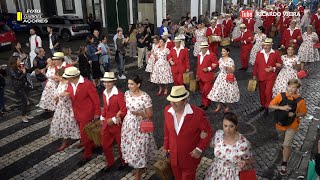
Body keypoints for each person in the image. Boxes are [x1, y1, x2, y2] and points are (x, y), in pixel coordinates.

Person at [163, 85, 212, 180]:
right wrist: (166, 146)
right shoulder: (167, 110)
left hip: (189, 158)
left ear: (185, 100)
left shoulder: (198, 114)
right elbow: (166, 130)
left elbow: (208, 131)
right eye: (171, 100)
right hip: (173, 155)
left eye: (176, 101)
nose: (172, 104)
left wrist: (199, 149)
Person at [62, 66, 101, 165]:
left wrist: (97, 113)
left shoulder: (87, 84)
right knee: (87, 133)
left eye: (67, 77)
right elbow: (71, 94)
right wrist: (66, 95)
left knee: (84, 135)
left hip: (87, 114)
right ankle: (93, 145)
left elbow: (96, 100)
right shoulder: (70, 84)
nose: (66, 79)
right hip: (77, 113)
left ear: (73, 77)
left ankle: (87, 154)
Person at [121, 75, 156, 180]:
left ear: (138, 85)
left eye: (132, 84)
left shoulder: (145, 97)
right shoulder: (127, 94)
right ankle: (139, 168)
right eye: (128, 83)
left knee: (139, 150)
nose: (129, 86)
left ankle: (139, 173)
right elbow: (126, 108)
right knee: (130, 148)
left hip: (141, 126)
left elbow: (150, 114)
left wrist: (140, 113)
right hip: (128, 125)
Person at [269, 79, 307, 175]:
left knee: (286, 145)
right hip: (280, 124)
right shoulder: (280, 96)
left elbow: (304, 113)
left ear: (297, 89)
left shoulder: (300, 100)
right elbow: (270, 105)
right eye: (290, 86)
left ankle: (284, 163)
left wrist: (294, 114)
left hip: (292, 125)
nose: (291, 89)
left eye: (293, 87)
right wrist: (282, 107)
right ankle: (285, 148)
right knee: (283, 142)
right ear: (287, 86)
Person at [205, 112, 253, 179]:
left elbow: (250, 160)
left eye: (231, 126)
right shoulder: (218, 134)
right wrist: (205, 137)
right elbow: (211, 144)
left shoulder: (243, 144)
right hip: (215, 172)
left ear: (236, 126)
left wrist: (245, 162)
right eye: (225, 126)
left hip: (231, 176)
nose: (227, 129)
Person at [100, 72, 128, 172]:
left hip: (117, 124)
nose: (107, 84)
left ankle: (124, 162)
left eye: (109, 82)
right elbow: (105, 107)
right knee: (105, 144)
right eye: (105, 82)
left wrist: (114, 119)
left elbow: (124, 111)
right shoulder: (104, 92)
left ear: (113, 82)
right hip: (106, 123)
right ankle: (110, 162)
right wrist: (102, 117)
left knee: (121, 144)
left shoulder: (119, 95)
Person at [50, 68, 80, 151]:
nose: (56, 77)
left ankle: (81, 140)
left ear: (61, 76)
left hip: (68, 108)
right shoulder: (60, 83)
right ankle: (65, 141)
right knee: (63, 125)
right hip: (60, 107)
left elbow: (72, 95)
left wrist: (60, 95)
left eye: (57, 75)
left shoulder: (68, 84)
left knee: (72, 124)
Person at [253, 38, 282, 116]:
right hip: (261, 77)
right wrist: (254, 75)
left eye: (267, 45)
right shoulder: (259, 53)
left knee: (268, 92)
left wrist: (273, 68)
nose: (265, 47)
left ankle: (267, 107)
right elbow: (256, 65)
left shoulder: (276, 53)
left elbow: (279, 64)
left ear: (271, 46)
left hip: (271, 77)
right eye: (264, 45)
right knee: (262, 92)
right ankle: (263, 105)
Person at [207, 47, 240, 113]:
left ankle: (227, 106)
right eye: (222, 51)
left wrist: (227, 68)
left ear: (228, 52)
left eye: (224, 51)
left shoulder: (230, 60)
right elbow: (220, 70)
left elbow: (233, 70)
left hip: (228, 78)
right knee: (217, 92)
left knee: (228, 93)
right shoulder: (220, 59)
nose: (222, 52)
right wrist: (215, 74)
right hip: (220, 78)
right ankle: (219, 106)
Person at [8, 56, 33, 122]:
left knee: (27, 101)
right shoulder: (12, 69)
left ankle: (25, 115)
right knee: (25, 102)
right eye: (18, 60)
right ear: (15, 61)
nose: (20, 61)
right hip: (18, 88)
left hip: (24, 86)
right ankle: (22, 116)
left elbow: (29, 71)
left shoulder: (20, 67)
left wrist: (35, 66)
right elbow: (18, 78)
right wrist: (23, 72)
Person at [197, 41, 219, 110]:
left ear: (207, 48)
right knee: (202, 91)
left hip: (208, 77)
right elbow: (198, 65)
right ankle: (205, 103)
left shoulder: (212, 55)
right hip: (200, 76)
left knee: (206, 91)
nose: (202, 49)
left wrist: (209, 68)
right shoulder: (199, 55)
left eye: (203, 48)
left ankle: (206, 104)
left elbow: (215, 64)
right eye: (201, 48)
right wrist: (197, 74)